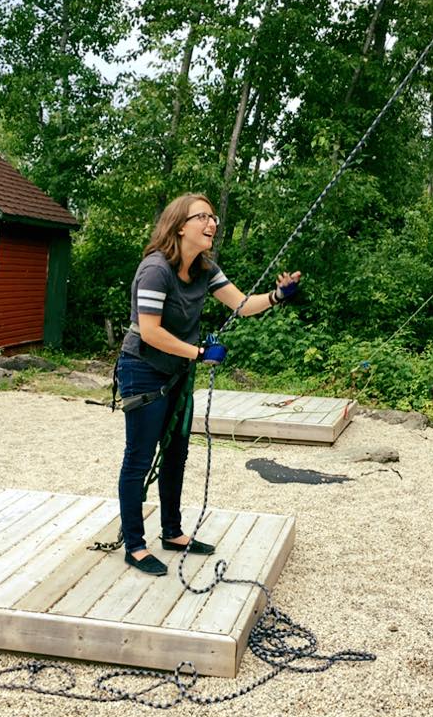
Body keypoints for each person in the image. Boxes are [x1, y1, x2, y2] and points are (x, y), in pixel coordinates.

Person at [116, 192, 301, 575]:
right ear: (180, 226)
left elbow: (243, 304)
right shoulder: (156, 270)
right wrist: (199, 353)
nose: (212, 223)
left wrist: (278, 295)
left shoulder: (204, 268)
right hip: (144, 368)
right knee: (139, 456)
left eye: (213, 217)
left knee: (177, 452)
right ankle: (134, 545)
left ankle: (172, 531)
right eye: (203, 216)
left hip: (179, 370)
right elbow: (150, 332)